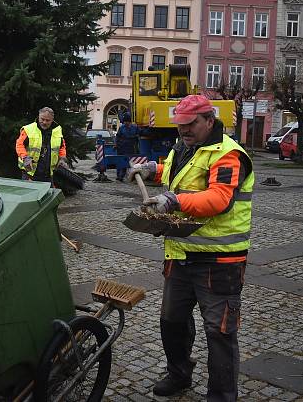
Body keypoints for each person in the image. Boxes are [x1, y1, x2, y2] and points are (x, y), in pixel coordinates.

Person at [126, 94, 253, 401]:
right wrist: (151, 170)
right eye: (179, 124)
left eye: (190, 124)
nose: (183, 130)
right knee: (172, 322)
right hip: (180, 254)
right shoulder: (183, 147)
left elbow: (219, 199)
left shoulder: (228, 154)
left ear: (209, 120)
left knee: (219, 333)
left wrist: (174, 200)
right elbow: (174, 174)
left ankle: (222, 396)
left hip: (219, 261)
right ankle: (179, 374)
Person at [16, 107, 68, 182]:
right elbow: (19, 144)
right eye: (42, 119)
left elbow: (62, 147)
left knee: (49, 193)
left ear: (52, 120)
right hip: (30, 173)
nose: (44, 122)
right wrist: (25, 158)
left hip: (48, 174)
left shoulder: (57, 130)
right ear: (38, 117)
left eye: (47, 120)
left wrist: (62, 159)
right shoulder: (28, 129)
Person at [114, 111, 139, 180]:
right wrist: (115, 144)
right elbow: (117, 136)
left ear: (130, 122)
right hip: (121, 146)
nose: (125, 123)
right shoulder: (122, 127)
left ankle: (122, 175)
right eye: (125, 121)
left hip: (130, 146)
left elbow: (138, 135)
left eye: (127, 122)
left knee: (127, 161)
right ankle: (118, 175)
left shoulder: (135, 127)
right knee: (120, 161)